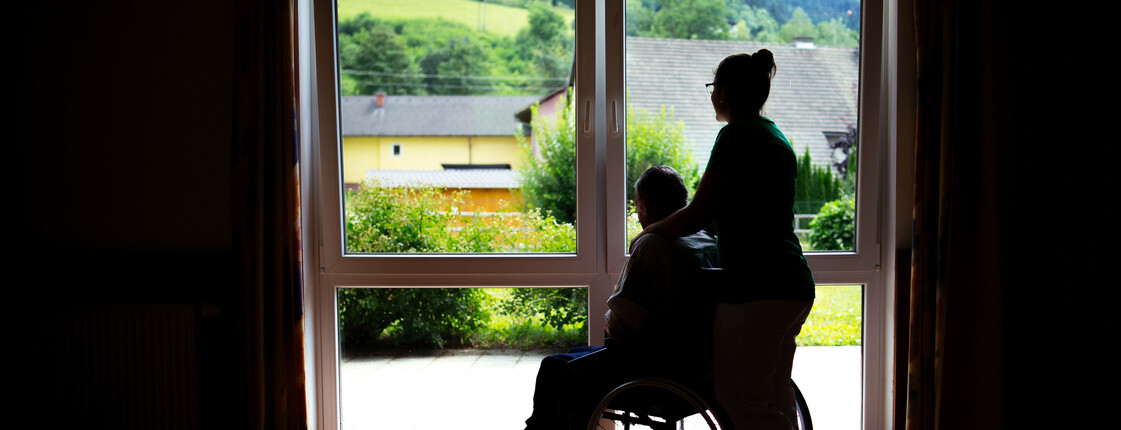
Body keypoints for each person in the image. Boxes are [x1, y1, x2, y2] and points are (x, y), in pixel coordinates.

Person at [630, 50, 816, 430]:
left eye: (714, 87)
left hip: (756, 288)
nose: (711, 95)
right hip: (794, 283)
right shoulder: (775, 136)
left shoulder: (734, 136)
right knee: (775, 401)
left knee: (741, 405)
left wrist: (647, 233)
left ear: (725, 92)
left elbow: (699, 213)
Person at [524, 165, 718, 430]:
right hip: (701, 372)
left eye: (638, 205)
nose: (638, 214)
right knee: (575, 357)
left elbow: (620, 328)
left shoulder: (653, 245)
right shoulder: (708, 241)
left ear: (646, 204)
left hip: (653, 372)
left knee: (556, 367)